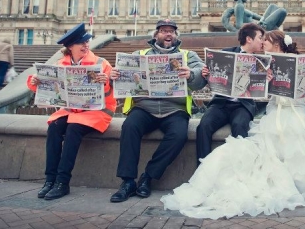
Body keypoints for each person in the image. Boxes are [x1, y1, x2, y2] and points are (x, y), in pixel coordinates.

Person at [161, 30, 305, 219]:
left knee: (276, 130)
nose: (262, 44)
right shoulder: (260, 61)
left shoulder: (292, 61)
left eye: (265, 41)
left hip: (293, 112)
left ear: (275, 44)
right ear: (249, 39)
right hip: (250, 108)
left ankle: (284, 181)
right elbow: (260, 94)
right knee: (206, 126)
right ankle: (204, 174)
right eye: (260, 39)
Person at [109, 19, 207, 203]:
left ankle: (148, 176)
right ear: (156, 35)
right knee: (129, 127)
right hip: (144, 107)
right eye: (163, 31)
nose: (168, 34)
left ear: (176, 35)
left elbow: (202, 77)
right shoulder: (140, 54)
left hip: (175, 109)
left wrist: (191, 74)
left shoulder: (188, 55)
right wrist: (114, 76)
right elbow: (122, 78)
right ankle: (127, 181)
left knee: (179, 135)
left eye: (171, 31)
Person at [26, 22, 115, 200]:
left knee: (74, 127)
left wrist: (107, 80)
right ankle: (50, 179)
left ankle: (62, 182)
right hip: (70, 110)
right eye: (81, 42)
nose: (85, 45)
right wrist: (35, 82)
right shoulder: (60, 64)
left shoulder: (101, 63)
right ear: (70, 47)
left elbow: (113, 92)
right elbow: (49, 91)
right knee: (54, 127)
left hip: (97, 112)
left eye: (87, 41)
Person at [196, 22, 264, 164]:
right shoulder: (226, 52)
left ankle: (238, 169)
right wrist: (206, 74)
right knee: (203, 126)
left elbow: (261, 90)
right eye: (260, 37)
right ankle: (203, 168)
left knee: (239, 126)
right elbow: (212, 78)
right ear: (249, 39)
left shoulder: (261, 61)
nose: (262, 41)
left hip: (242, 106)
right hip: (221, 103)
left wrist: (265, 79)